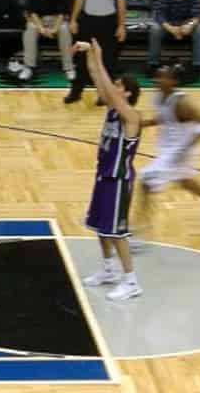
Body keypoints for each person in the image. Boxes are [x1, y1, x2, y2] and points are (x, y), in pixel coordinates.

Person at [75, 40, 143, 301]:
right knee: (100, 227)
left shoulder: (132, 117)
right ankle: (108, 269)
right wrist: (91, 53)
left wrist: (100, 55)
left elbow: (106, 84)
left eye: (118, 86)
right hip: (103, 176)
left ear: (127, 93)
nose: (113, 88)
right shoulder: (113, 109)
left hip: (119, 180)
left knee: (117, 232)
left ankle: (131, 282)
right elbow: (96, 76)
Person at [136, 65, 200, 231]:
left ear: (173, 82)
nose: (157, 80)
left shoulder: (182, 102)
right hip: (170, 148)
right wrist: (145, 124)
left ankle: (142, 226)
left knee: (146, 181)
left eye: (162, 77)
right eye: (157, 76)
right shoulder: (158, 96)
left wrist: (187, 147)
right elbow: (165, 117)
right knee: (184, 181)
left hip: (181, 150)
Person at [65, 0, 127, 104]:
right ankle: (76, 92)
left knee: (107, 61)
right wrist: (73, 20)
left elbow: (121, 3)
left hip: (108, 22)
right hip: (88, 21)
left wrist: (121, 26)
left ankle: (104, 94)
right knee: (81, 59)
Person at [19, 0, 73, 81]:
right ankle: (28, 66)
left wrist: (55, 29)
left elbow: (62, 13)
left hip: (56, 20)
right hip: (38, 20)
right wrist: (41, 29)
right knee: (30, 29)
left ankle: (68, 67)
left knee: (64, 29)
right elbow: (32, 12)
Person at [148, 0, 200, 73]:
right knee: (155, 29)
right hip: (168, 23)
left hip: (186, 23)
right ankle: (153, 64)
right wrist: (171, 28)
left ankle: (197, 65)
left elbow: (197, 14)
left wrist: (190, 25)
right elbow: (159, 13)